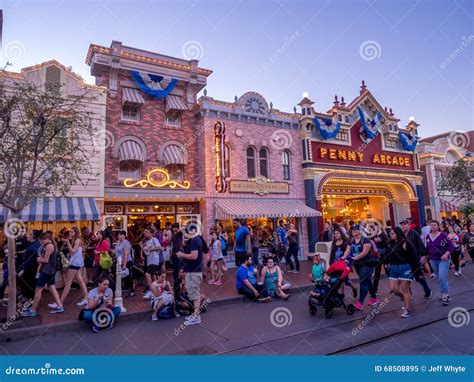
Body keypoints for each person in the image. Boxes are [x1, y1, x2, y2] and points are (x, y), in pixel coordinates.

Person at [21, 233, 63, 317]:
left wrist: (39, 259)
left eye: (42, 241)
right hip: (51, 270)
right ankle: (60, 306)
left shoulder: (49, 246)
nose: (41, 242)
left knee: (38, 290)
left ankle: (32, 310)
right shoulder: (49, 245)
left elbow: (46, 260)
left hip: (46, 271)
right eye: (40, 241)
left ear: (48, 239)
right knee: (52, 287)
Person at [49, 227, 88, 310]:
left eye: (71, 232)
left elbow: (72, 252)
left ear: (75, 232)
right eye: (70, 232)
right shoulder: (76, 240)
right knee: (80, 280)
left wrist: (67, 243)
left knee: (68, 283)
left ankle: (60, 303)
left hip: (75, 263)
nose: (70, 233)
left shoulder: (77, 240)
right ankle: (86, 298)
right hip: (76, 262)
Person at [344, 224, 378, 310]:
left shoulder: (366, 240)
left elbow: (365, 252)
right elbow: (347, 250)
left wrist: (356, 257)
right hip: (358, 264)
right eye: (352, 229)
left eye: (355, 229)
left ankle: (360, 302)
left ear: (360, 231)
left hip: (368, 264)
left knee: (363, 281)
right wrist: (344, 256)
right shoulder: (351, 240)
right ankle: (374, 298)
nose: (353, 231)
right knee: (367, 280)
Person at [386, 227, 418, 318]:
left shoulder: (405, 243)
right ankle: (403, 297)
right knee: (394, 289)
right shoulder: (389, 243)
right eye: (390, 233)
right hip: (393, 267)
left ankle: (407, 309)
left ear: (398, 234)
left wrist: (417, 272)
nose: (390, 235)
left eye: (392, 233)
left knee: (405, 289)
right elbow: (387, 254)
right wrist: (387, 263)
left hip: (405, 267)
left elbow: (414, 257)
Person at [177, 225, 204, 326]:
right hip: (193, 271)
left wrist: (181, 255)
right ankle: (195, 314)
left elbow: (194, 256)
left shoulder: (195, 241)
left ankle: (197, 316)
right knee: (193, 293)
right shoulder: (195, 240)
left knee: (195, 294)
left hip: (194, 272)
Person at [400, 220, 432, 299]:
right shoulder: (401, 235)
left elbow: (420, 244)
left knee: (419, 277)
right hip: (405, 259)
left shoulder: (414, 233)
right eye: (402, 225)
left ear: (409, 225)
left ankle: (427, 290)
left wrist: (423, 255)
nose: (403, 226)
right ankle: (409, 293)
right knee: (405, 277)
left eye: (405, 224)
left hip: (415, 258)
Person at [425, 220, 454, 306]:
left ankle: (444, 295)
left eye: (434, 225)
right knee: (440, 278)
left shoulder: (444, 236)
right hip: (433, 260)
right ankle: (446, 294)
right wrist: (425, 256)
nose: (433, 226)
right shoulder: (427, 236)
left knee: (442, 277)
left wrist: (446, 254)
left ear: (438, 226)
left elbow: (451, 246)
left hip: (443, 260)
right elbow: (427, 248)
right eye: (431, 225)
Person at [329, 228, 357, 298]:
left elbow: (348, 253)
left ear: (341, 234)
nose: (336, 235)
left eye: (337, 233)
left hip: (343, 264)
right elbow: (332, 253)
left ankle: (354, 288)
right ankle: (342, 294)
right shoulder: (334, 242)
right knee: (339, 279)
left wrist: (347, 262)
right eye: (335, 234)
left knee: (346, 281)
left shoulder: (345, 243)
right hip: (335, 264)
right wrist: (330, 262)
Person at [17, 230, 42, 301]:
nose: (27, 235)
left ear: (33, 236)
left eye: (30, 234)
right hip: (31, 267)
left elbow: (30, 260)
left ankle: (30, 302)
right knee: (25, 283)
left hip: (32, 268)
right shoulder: (32, 243)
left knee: (29, 285)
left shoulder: (34, 246)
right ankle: (27, 299)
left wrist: (23, 269)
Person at [141, 227, 163, 300]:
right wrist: (141, 246)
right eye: (144, 233)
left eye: (147, 233)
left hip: (154, 259)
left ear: (151, 233)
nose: (145, 234)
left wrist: (151, 249)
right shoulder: (146, 242)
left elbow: (159, 247)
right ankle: (158, 289)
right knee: (153, 275)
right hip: (149, 260)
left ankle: (150, 290)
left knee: (147, 274)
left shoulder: (154, 240)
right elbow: (146, 252)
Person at [371, 222, 388, 295]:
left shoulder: (383, 235)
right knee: (377, 272)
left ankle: (396, 288)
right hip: (378, 256)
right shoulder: (376, 234)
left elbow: (376, 240)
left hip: (385, 255)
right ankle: (375, 290)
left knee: (388, 272)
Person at [115, 230, 134, 296]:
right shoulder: (118, 243)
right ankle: (125, 289)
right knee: (123, 276)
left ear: (123, 235)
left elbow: (126, 254)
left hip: (127, 262)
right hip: (120, 262)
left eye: (120, 235)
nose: (118, 236)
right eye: (118, 235)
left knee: (128, 276)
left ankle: (131, 291)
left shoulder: (126, 242)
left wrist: (124, 264)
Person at [171, 222, 184, 295]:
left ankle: (179, 285)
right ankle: (176, 285)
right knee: (175, 269)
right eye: (173, 228)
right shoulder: (174, 234)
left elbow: (181, 232)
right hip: (174, 253)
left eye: (175, 227)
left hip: (178, 253)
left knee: (179, 269)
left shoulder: (179, 233)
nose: (174, 229)